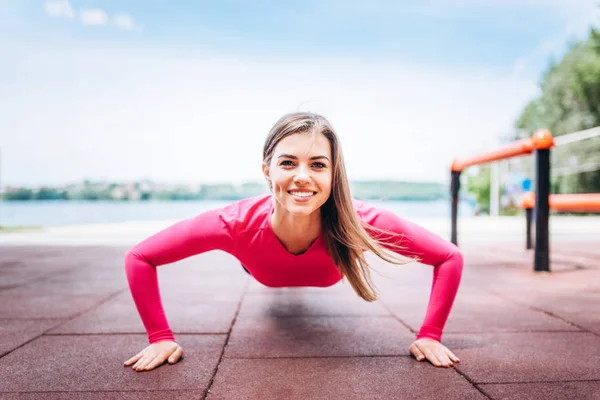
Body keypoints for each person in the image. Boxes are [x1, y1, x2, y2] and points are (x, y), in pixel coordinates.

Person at [123, 112, 464, 372]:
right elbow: (140, 256)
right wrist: (160, 337)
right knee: (258, 259)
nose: (302, 176)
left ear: (333, 174)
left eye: (317, 165)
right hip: (259, 264)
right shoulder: (234, 224)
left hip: (328, 262)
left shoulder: (361, 222)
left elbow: (449, 257)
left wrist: (430, 334)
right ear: (267, 171)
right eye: (288, 163)